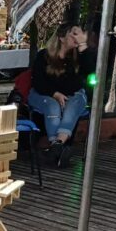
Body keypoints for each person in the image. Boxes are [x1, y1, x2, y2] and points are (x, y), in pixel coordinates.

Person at [29, 23, 95, 168]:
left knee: (74, 103)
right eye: (74, 34)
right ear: (61, 37)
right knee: (53, 105)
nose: (77, 37)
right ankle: (59, 149)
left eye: (80, 34)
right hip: (44, 93)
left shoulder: (79, 56)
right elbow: (38, 82)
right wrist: (55, 93)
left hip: (71, 94)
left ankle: (56, 146)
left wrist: (83, 46)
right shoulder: (44, 55)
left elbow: (91, 71)